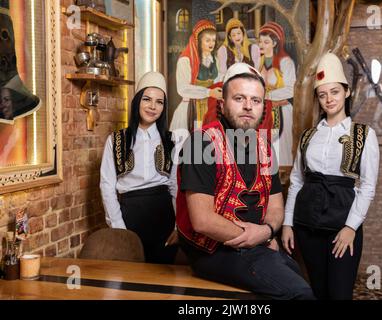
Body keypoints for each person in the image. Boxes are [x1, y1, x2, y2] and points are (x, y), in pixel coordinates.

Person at [176, 62, 315, 300]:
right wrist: (254, 239)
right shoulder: (200, 143)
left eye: (256, 100)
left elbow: (276, 207)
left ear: (264, 107)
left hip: (256, 244)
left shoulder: (265, 147)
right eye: (239, 98)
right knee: (299, 294)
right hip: (213, 250)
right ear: (222, 104)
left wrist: (266, 232)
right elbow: (202, 221)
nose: (248, 106)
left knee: (299, 278)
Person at [281, 52, 380, 300]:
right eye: (322, 94)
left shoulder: (364, 134)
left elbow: (367, 186)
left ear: (346, 92)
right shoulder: (308, 136)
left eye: (334, 92)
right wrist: (288, 223)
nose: (329, 99)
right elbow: (296, 182)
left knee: (339, 293)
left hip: (342, 226)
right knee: (318, 290)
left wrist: (350, 228)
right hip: (307, 226)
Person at [100, 71, 178, 264]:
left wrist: (178, 226)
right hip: (130, 215)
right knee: (131, 277)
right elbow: (107, 186)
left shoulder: (172, 140)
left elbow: (176, 186)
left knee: (164, 276)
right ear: (137, 101)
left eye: (159, 102)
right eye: (147, 99)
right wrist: (119, 227)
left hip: (164, 215)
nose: (153, 106)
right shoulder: (116, 140)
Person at [170, 19, 223, 136]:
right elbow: (183, 89)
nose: (211, 43)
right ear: (198, 41)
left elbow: (219, 79)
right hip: (191, 109)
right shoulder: (186, 60)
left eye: (213, 40)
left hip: (210, 109)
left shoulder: (215, 60)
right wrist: (209, 92)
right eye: (207, 40)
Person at [258, 21, 296, 166]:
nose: (262, 45)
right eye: (260, 41)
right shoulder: (259, 62)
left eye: (266, 42)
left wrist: (267, 96)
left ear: (275, 43)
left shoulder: (286, 62)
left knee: (282, 149)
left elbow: (291, 88)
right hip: (264, 111)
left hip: (282, 111)